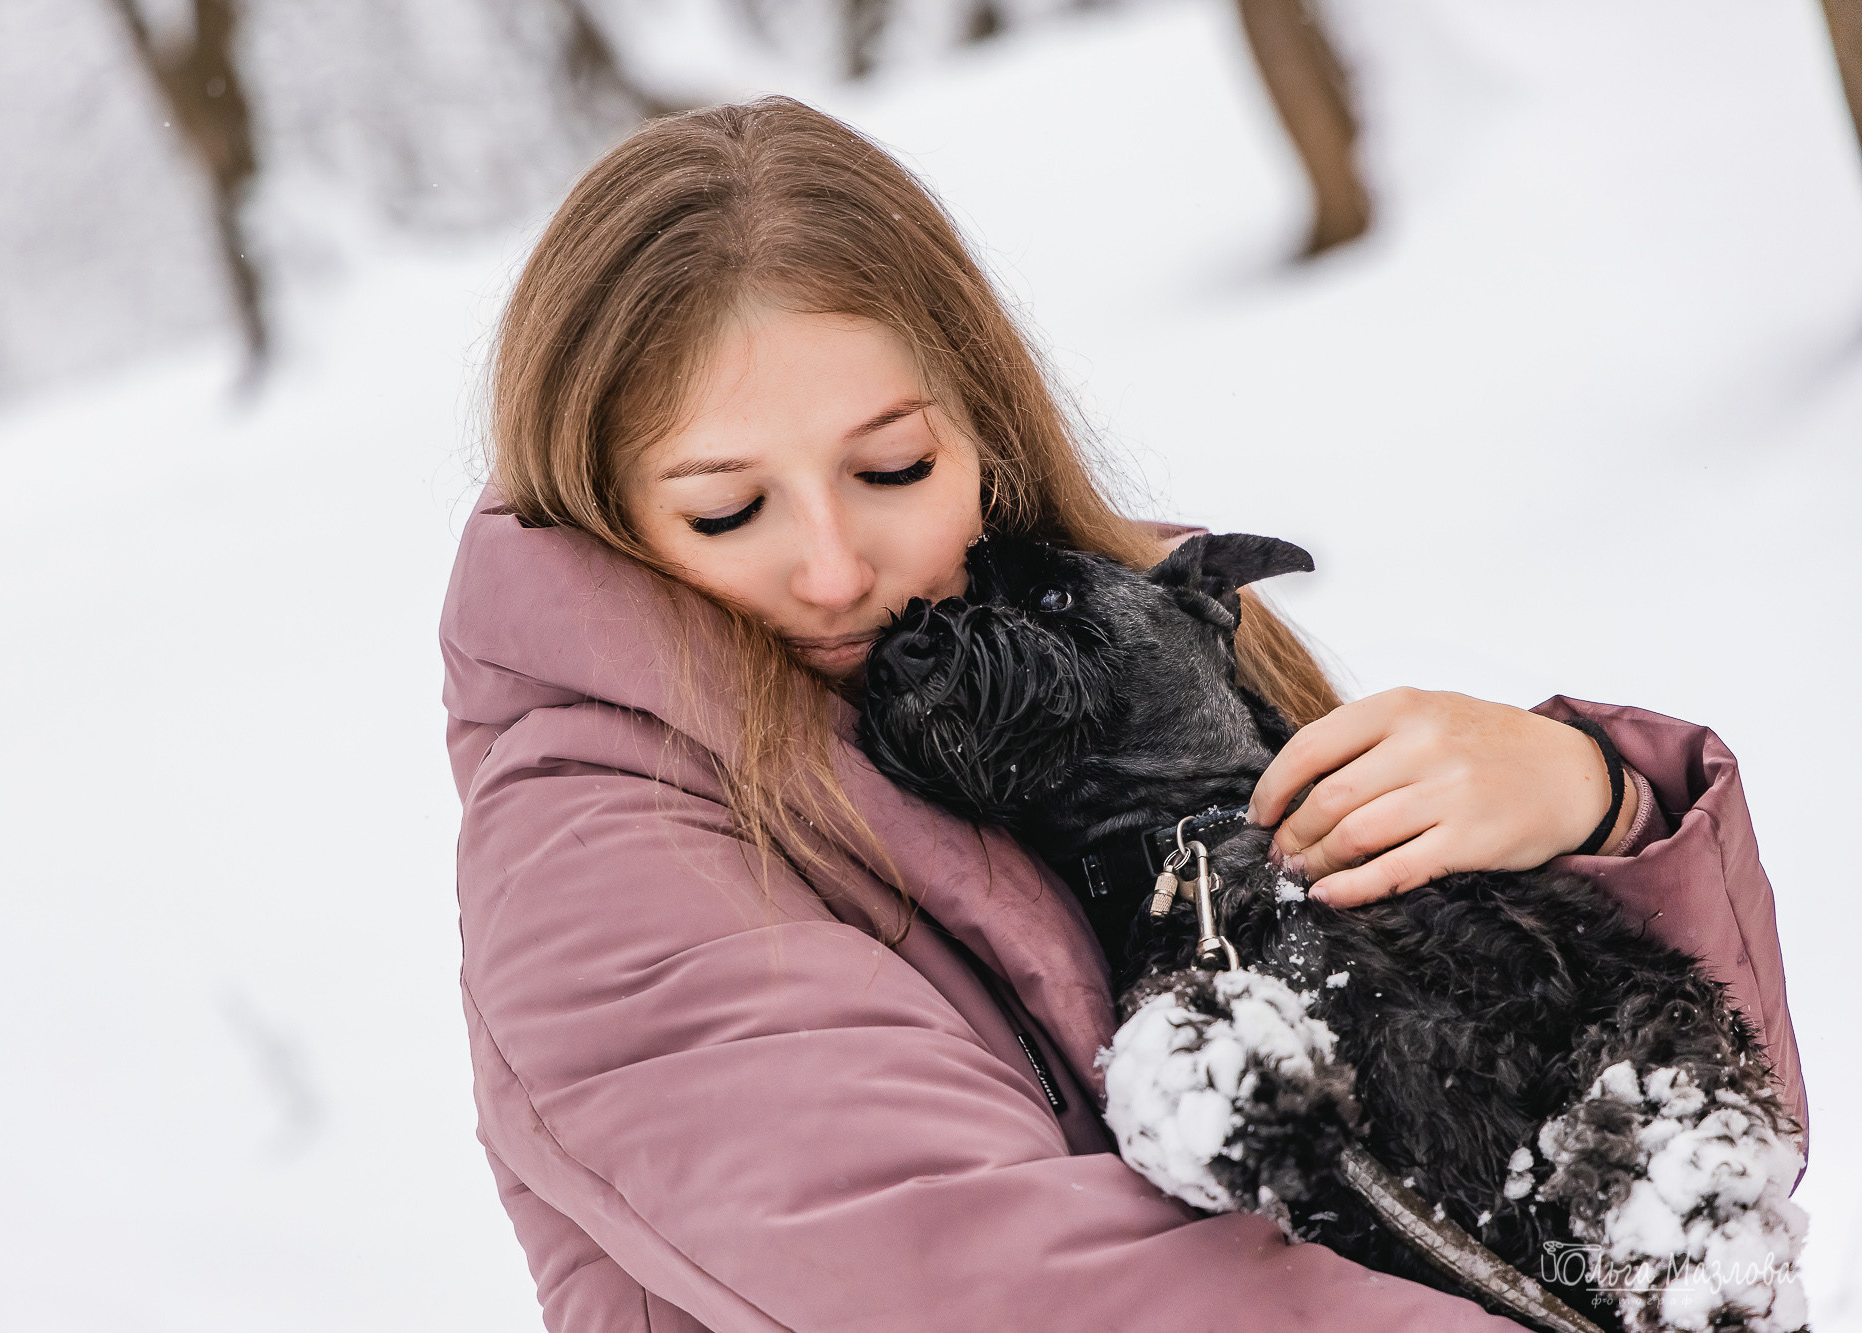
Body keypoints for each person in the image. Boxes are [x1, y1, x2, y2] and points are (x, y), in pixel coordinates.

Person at [440, 95, 1806, 1332]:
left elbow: (1694, 1214)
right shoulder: (605, 859)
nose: (833, 568)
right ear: (602, 511)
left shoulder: (1123, 668)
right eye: (728, 507)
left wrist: (1592, 810)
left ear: (985, 437)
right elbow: (997, 1290)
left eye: (893, 468)